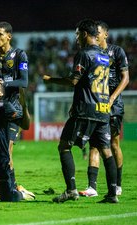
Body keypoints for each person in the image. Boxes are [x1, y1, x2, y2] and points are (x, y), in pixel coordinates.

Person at [43, 19, 118, 203]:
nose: (76, 39)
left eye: (77, 35)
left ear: (85, 34)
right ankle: (112, 194)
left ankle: (71, 190)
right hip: (103, 108)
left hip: (85, 109)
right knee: (106, 151)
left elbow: (74, 80)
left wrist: (50, 79)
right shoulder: (104, 55)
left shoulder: (84, 54)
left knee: (64, 146)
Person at [0, 21, 35, 200]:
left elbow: (24, 82)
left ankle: (11, 187)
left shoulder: (19, 55)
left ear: (8, 36)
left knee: (8, 150)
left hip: (12, 109)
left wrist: (4, 83)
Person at [79, 20, 129, 197]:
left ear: (105, 34)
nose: (96, 35)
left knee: (113, 143)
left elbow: (125, 78)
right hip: (97, 101)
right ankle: (92, 187)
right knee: (95, 143)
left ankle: (118, 184)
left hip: (113, 104)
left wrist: (112, 98)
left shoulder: (116, 52)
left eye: (99, 32)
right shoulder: (92, 54)